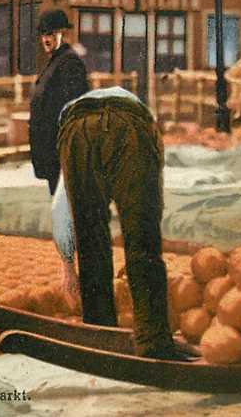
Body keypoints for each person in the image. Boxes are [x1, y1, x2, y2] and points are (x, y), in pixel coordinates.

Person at [51, 85, 194, 361]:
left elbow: (61, 204)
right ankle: (153, 343)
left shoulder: (76, 119)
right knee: (142, 238)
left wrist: (67, 266)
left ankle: (99, 337)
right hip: (127, 123)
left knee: (90, 240)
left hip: (74, 128)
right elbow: (150, 207)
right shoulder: (145, 125)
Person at [29, 9, 89, 195]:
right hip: (49, 149)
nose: (46, 39)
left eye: (52, 33)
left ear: (64, 34)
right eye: (44, 34)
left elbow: (73, 108)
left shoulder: (69, 62)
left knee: (66, 204)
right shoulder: (54, 62)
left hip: (61, 150)